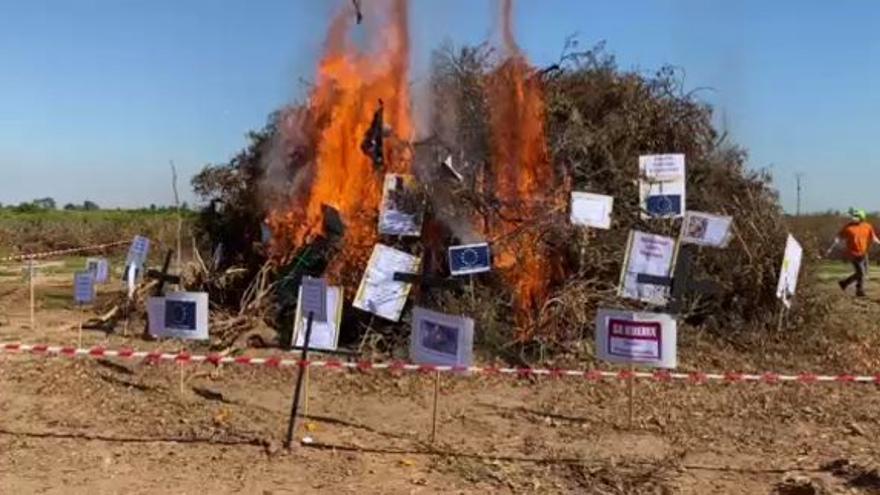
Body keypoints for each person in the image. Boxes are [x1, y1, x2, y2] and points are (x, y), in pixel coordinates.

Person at [826, 208, 880, 296]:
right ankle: (859, 290)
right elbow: (839, 237)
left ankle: (845, 283)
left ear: (862, 217)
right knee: (861, 272)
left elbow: (873, 237)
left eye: (857, 216)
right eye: (854, 216)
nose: (854, 218)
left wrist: (878, 242)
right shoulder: (848, 227)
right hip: (853, 254)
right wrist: (834, 244)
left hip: (864, 253)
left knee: (863, 272)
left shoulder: (868, 226)